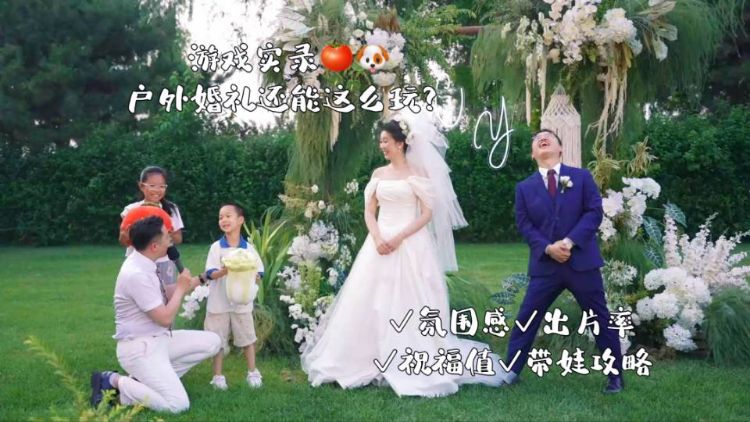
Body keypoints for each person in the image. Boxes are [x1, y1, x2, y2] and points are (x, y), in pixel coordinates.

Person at [301, 113, 507, 397]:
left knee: (411, 299)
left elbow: (426, 214)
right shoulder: (378, 175)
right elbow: (369, 211)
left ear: (400, 143)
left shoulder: (418, 174)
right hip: (379, 243)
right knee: (371, 299)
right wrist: (377, 237)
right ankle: (367, 357)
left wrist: (398, 238)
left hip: (410, 242)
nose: (382, 146)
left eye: (386, 141)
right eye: (381, 142)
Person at [500, 129, 624, 394]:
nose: (542, 138)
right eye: (537, 139)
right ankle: (511, 371)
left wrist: (568, 242)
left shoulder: (581, 177)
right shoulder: (524, 188)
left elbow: (594, 212)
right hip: (545, 266)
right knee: (526, 318)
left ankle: (615, 377)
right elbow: (524, 224)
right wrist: (547, 248)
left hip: (581, 263)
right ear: (533, 153)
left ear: (560, 149)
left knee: (599, 318)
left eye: (548, 137)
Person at [91, 216, 221, 412]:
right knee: (178, 405)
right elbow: (165, 319)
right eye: (167, 236)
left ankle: (141, 385)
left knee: (213, 342)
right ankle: (113, 380)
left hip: (159, 340)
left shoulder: (146, 262)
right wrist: (180, 289)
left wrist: (205, 276)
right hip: (139, 349)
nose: (171, 239)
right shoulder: (136, 274)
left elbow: (169, 292)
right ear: (154, 246)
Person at [202, 203, 265, 390]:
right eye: (220, 217)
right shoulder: (216, 248)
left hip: (242, 303)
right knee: (218, 340)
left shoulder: (249, 249)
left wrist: (255, 276)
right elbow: (210, 273)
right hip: (218, 303)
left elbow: (259, 270)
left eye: (228, 216)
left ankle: (253, 372)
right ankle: (218, 376)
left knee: (247, 337)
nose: (223, 220)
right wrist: (224, 271)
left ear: (240, 220)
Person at [120, 166, 185, 285]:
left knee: (167, 294)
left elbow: (178, 238)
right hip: (138, 263)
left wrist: (164, 232)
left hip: (164, 262)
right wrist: (129, 234)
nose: (157, 190)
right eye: (152, 185)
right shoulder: (131, 210)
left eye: (162, 186)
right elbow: (124, 240)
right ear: (141, 186)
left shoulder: (171, 209)